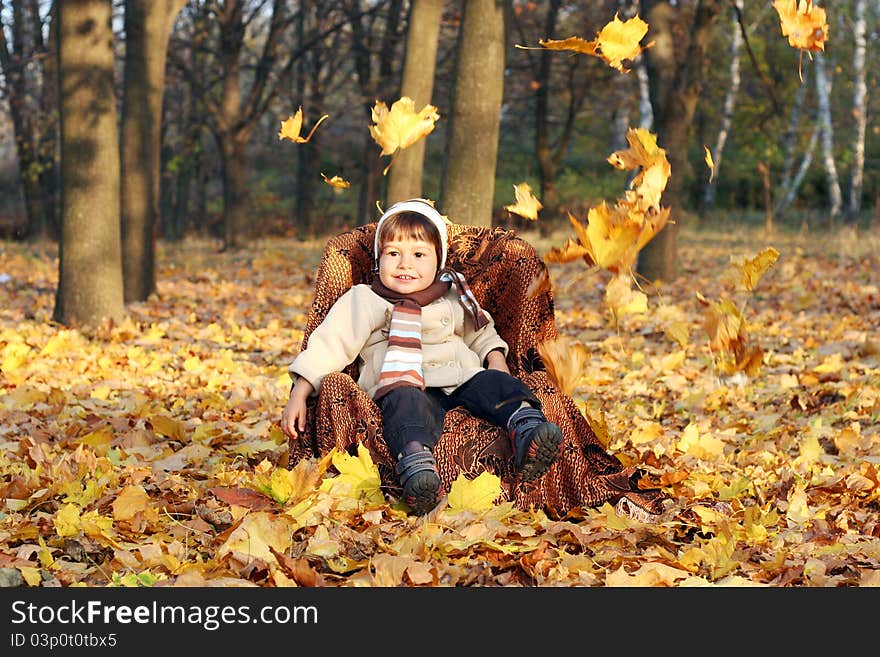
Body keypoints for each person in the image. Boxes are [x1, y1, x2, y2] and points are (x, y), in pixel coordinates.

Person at [281, 198, 563, 515]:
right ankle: (417, 469)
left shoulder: (453, 294)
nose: (405, 264)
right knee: (406, 408)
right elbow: (331, 343)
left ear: (438, 262)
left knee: (496, 385)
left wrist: (496, 359)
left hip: (460, 377)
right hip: (403, 383)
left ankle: (527, 427)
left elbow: (481, 331)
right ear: (378, 260)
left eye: (418, 255)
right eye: (393, 254)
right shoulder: (365, 298)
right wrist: (300, 391)